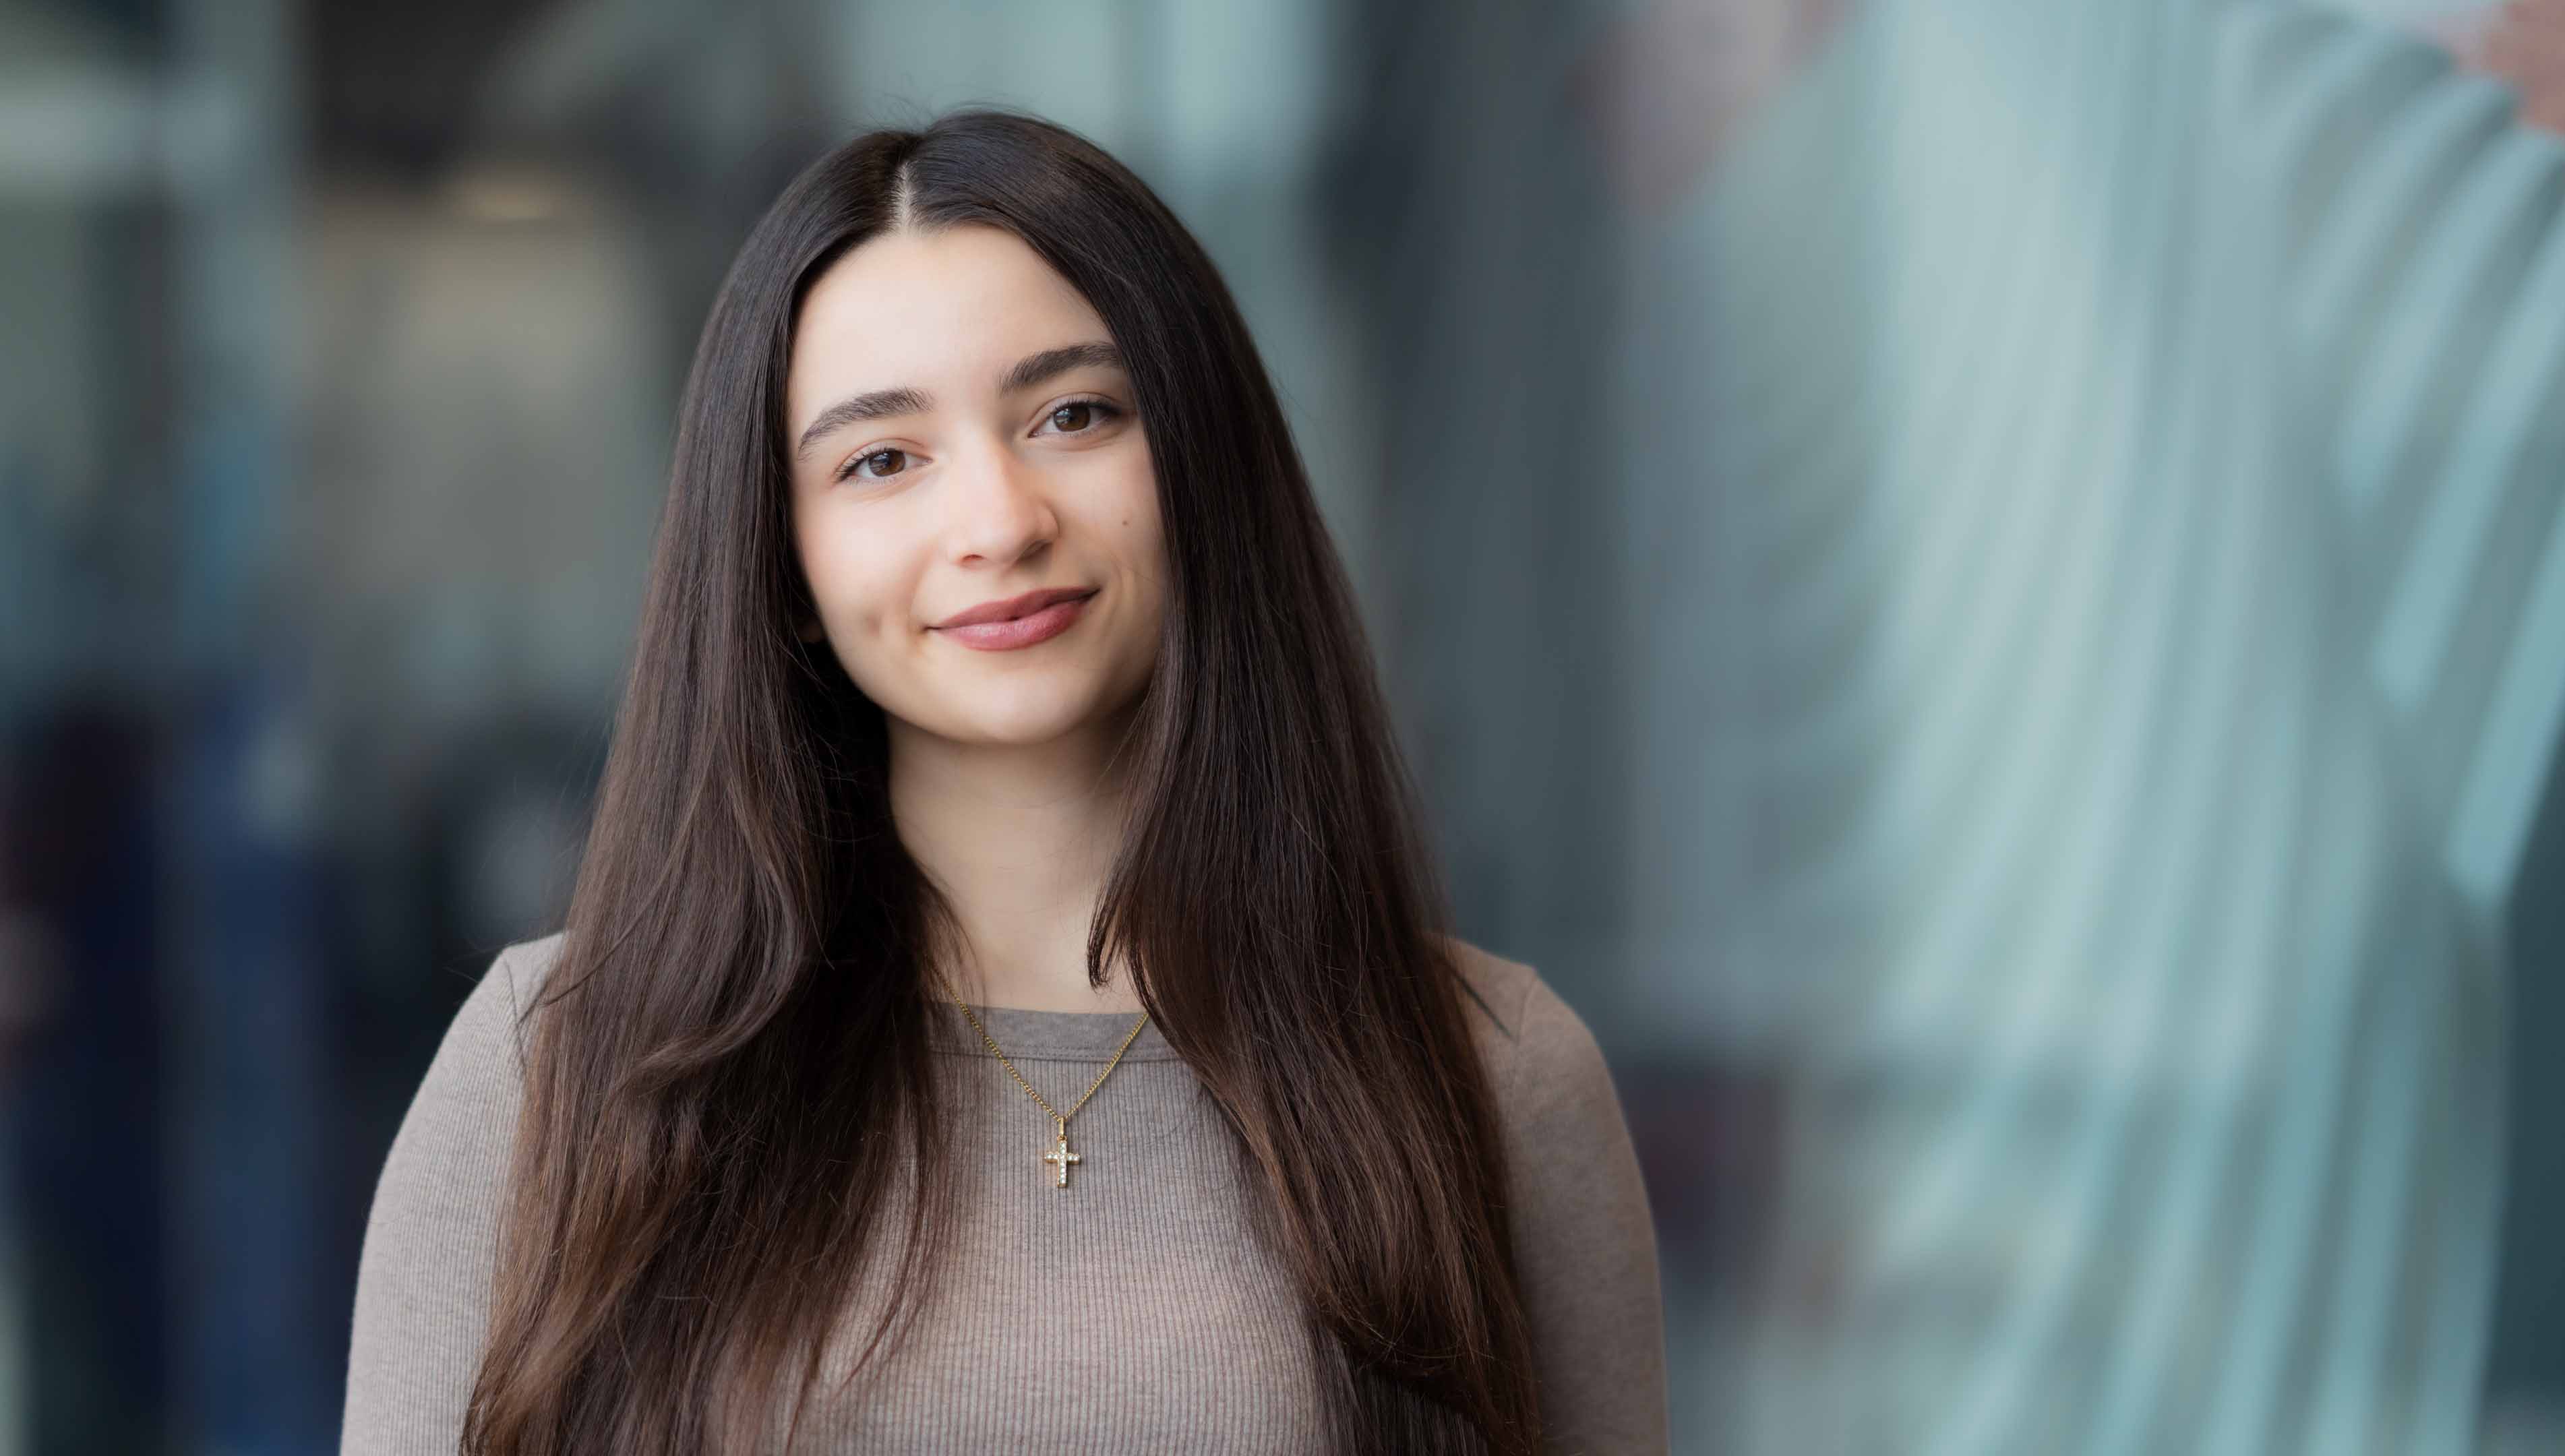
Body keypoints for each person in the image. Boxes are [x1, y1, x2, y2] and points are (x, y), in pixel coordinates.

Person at [339, 107, 1667, 1456]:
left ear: (1203, 463)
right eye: (882, 461)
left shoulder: (1494, 1076)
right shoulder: (553, 1069)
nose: (999, 522)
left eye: (1074, 414)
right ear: (784, 570)